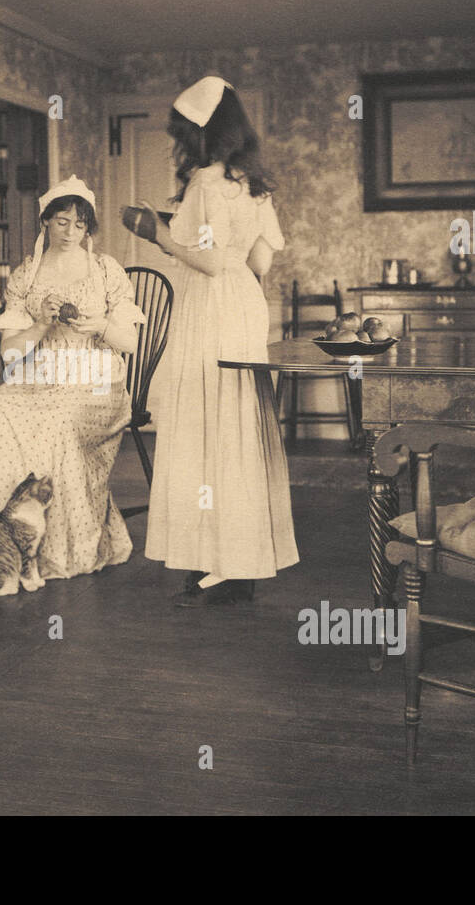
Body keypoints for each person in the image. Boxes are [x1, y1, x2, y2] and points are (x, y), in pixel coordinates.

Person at [138, 76, 300, 606]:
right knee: (236, 428)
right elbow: (258, 261)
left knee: (203, 426)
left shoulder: (206, 183)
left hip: (209, 307)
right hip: (245, 304)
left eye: (184, 132)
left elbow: (206, 260)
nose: (180, 142)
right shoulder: (254, 184)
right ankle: (238, 560)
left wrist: (156, 234)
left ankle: (214, 560)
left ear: (201, 133)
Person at [0, 176, 146, 583]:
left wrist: (101, 324)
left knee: (57, 422)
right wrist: (39, 323)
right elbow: (9, 355)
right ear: (45, 223)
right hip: (38, 373)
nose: (70, 232)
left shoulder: (105, 271)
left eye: (79, 224)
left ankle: (60, 552)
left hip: (96, 377)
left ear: (88, 229)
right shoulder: (27, 275)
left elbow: (129, 343)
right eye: (61, 222)